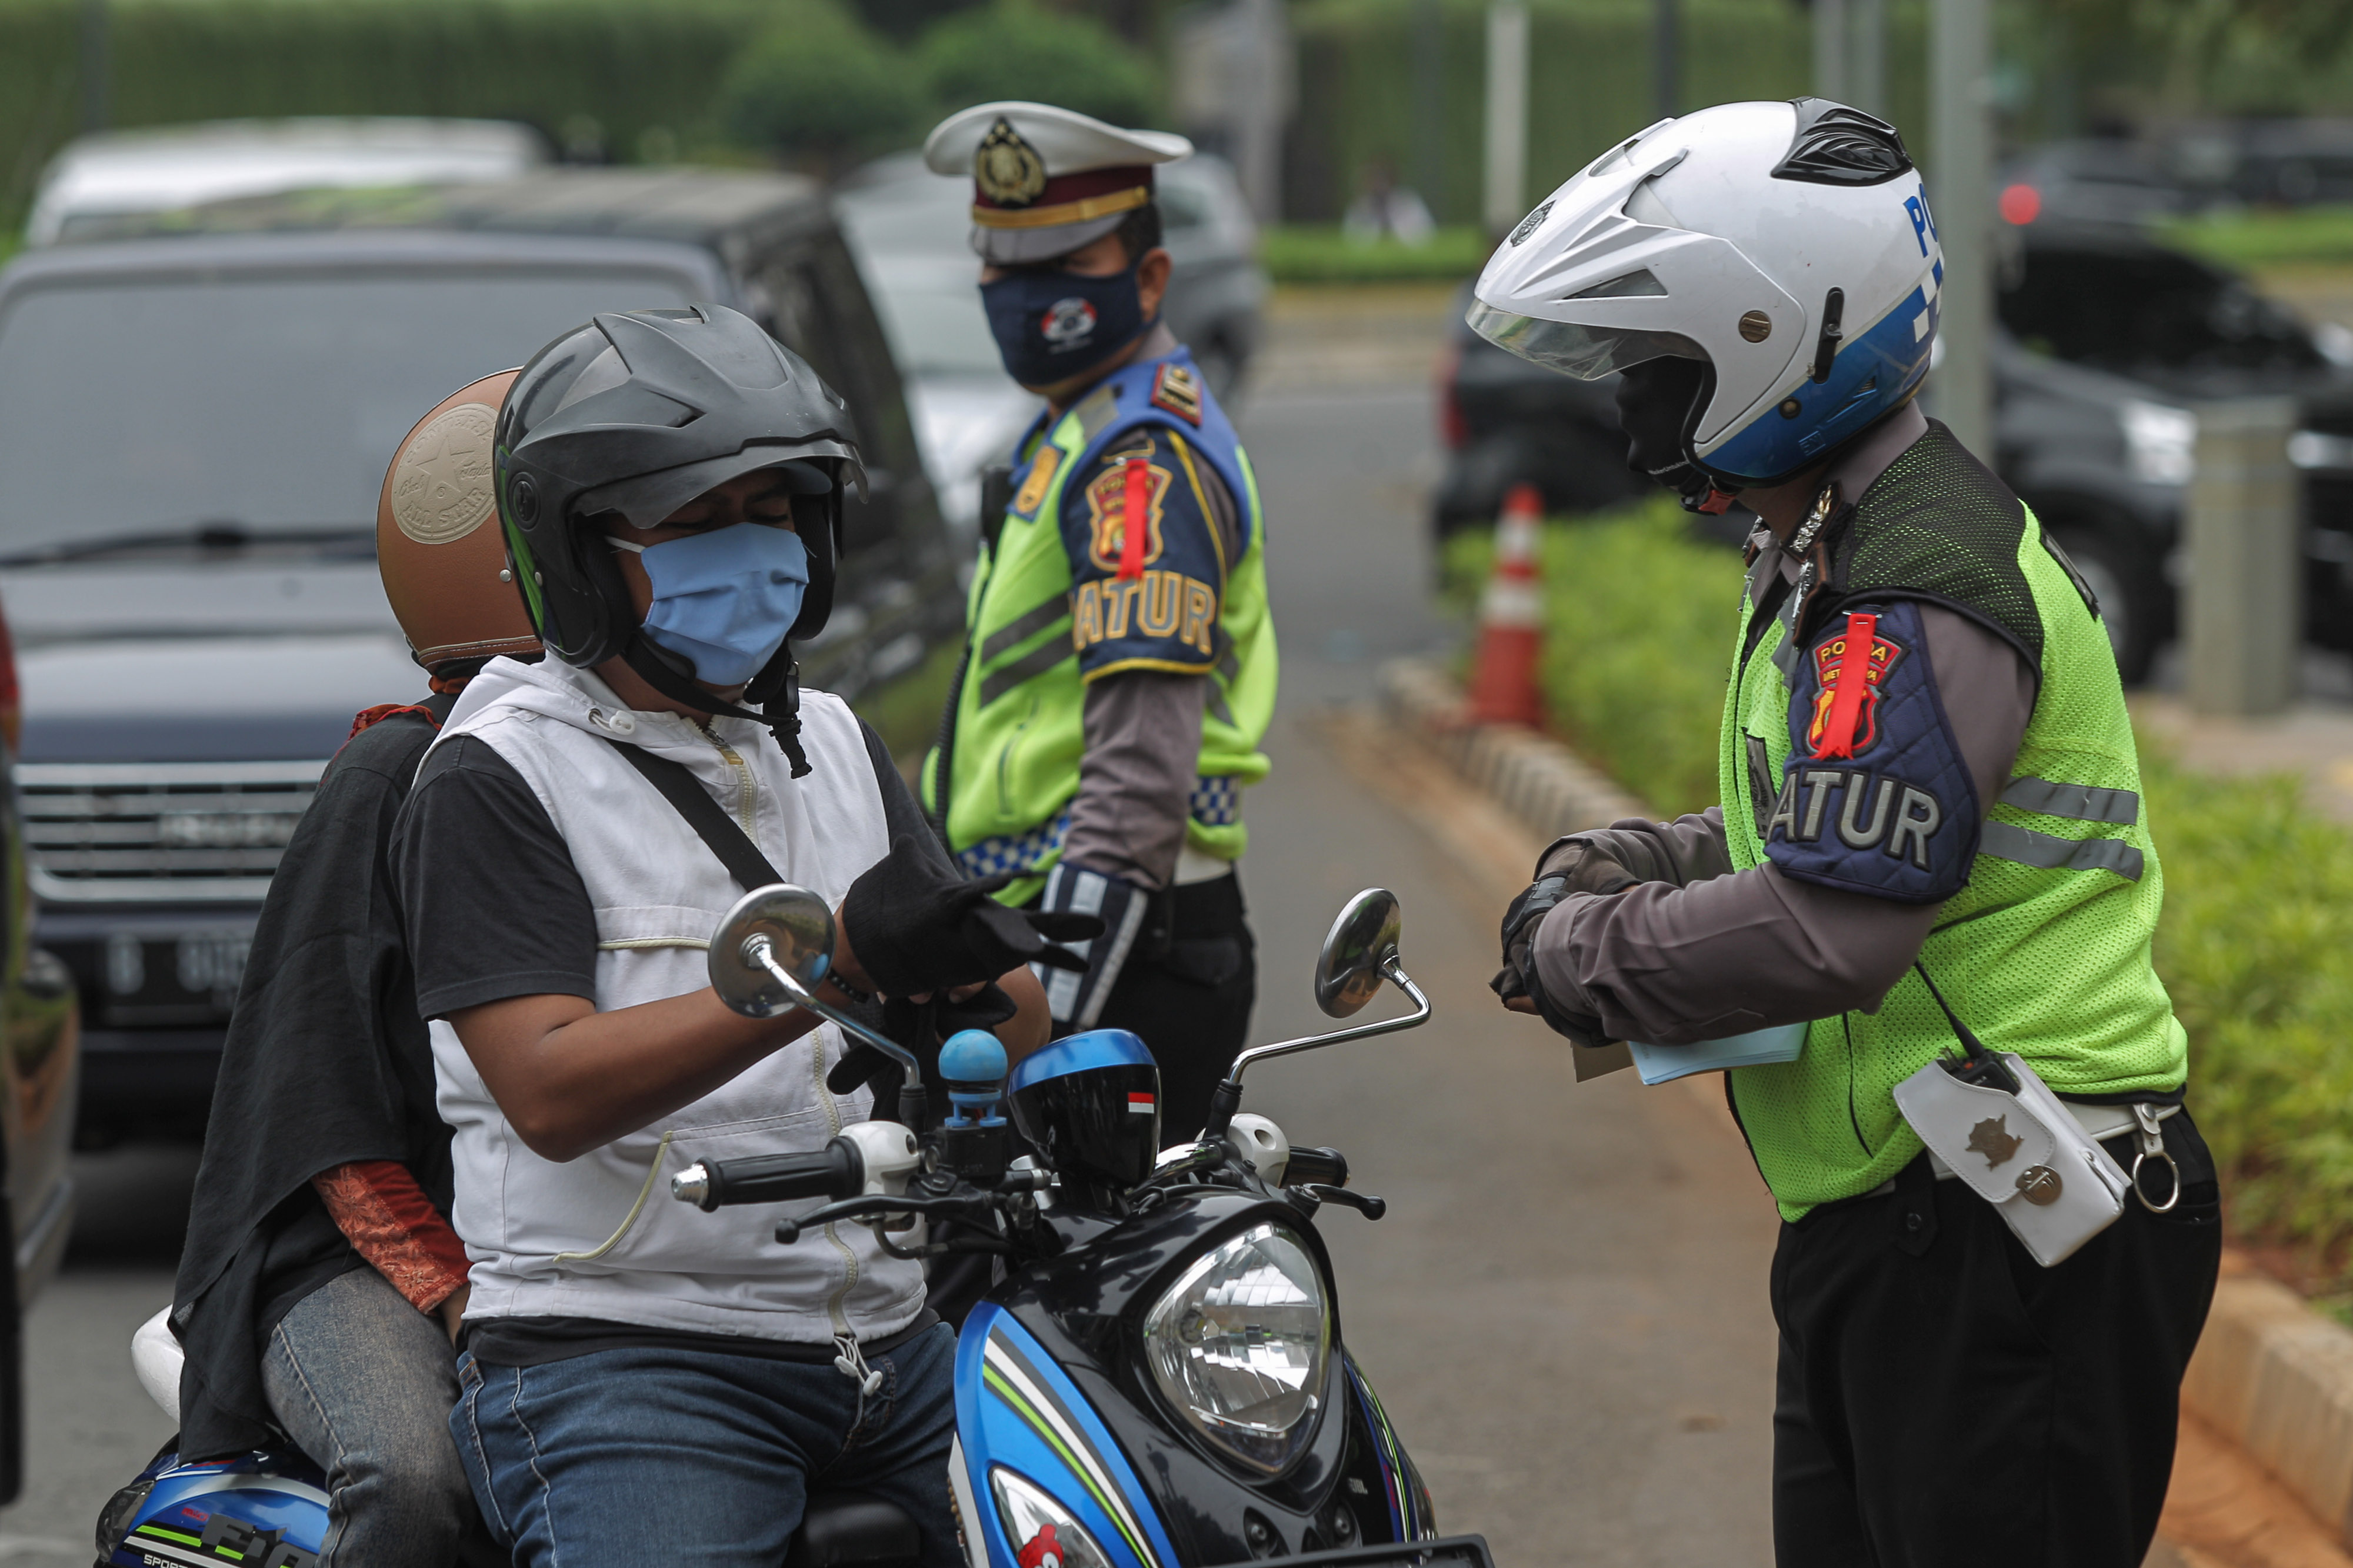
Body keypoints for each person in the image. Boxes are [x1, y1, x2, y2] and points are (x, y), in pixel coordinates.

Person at [1474, 100, 2221, 1566]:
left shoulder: (1915, 580)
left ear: (1769, 341)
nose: (1634, 418)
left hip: (2010, 1233)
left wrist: (1581, 949)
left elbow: (1837, 922)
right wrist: (1660, 856)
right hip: (1894, 1228)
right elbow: (1826, 813)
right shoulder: (1833, 541)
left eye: (1656, 369)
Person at [389, 305, 1077, 1567]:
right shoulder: (499, 774)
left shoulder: (835, 741)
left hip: (888, 1339)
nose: (749, 552)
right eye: (698, 524)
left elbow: (1018, 1021)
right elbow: (547, 1089)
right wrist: (834, 964)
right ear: (580, 551)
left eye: (775, 514)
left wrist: (976, 972)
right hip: (629, 1356)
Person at [170, 370, 542, 1566]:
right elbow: (321, 1111)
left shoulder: (672, 766)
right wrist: (452, 1290)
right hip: (363, 1253)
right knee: (418, 1470)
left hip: (568, 1242)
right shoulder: (391, 777)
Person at [919, 101, 1279, 1136]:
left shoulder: (1141, 467)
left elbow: (1136, 783)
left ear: (1151, 277)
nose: (1022, 296)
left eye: (1063, 265)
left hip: (1116, 944)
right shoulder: (1079, 424)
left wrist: (1054, 1028)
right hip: (1046, 924)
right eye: (1001, 266)